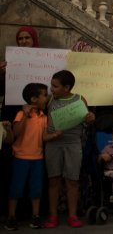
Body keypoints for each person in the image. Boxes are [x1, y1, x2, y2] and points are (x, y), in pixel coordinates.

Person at [44, 70, 94, 228]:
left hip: (73, 143)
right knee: (54, 180)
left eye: (55, 86)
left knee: (72, 181)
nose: (51, 89)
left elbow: (87, 121)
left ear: (67, 87)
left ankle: (72, 216)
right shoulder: (49, 99)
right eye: (51, 85)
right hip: (53, 143)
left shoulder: (80, 99)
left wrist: (90, 118)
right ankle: (53, 216)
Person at [5, 83, 54, 231]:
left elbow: (44, 137)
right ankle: (11, 217)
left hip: (38, 158)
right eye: (44, 95)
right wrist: (25, 115)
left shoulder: (44, 117)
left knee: (36, 189)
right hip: (20, 158)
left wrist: (55, 135)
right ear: (33, 99)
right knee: (16, 188)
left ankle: (35, 216)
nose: (47, 98)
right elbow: (15, 134)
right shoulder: (21, 114)